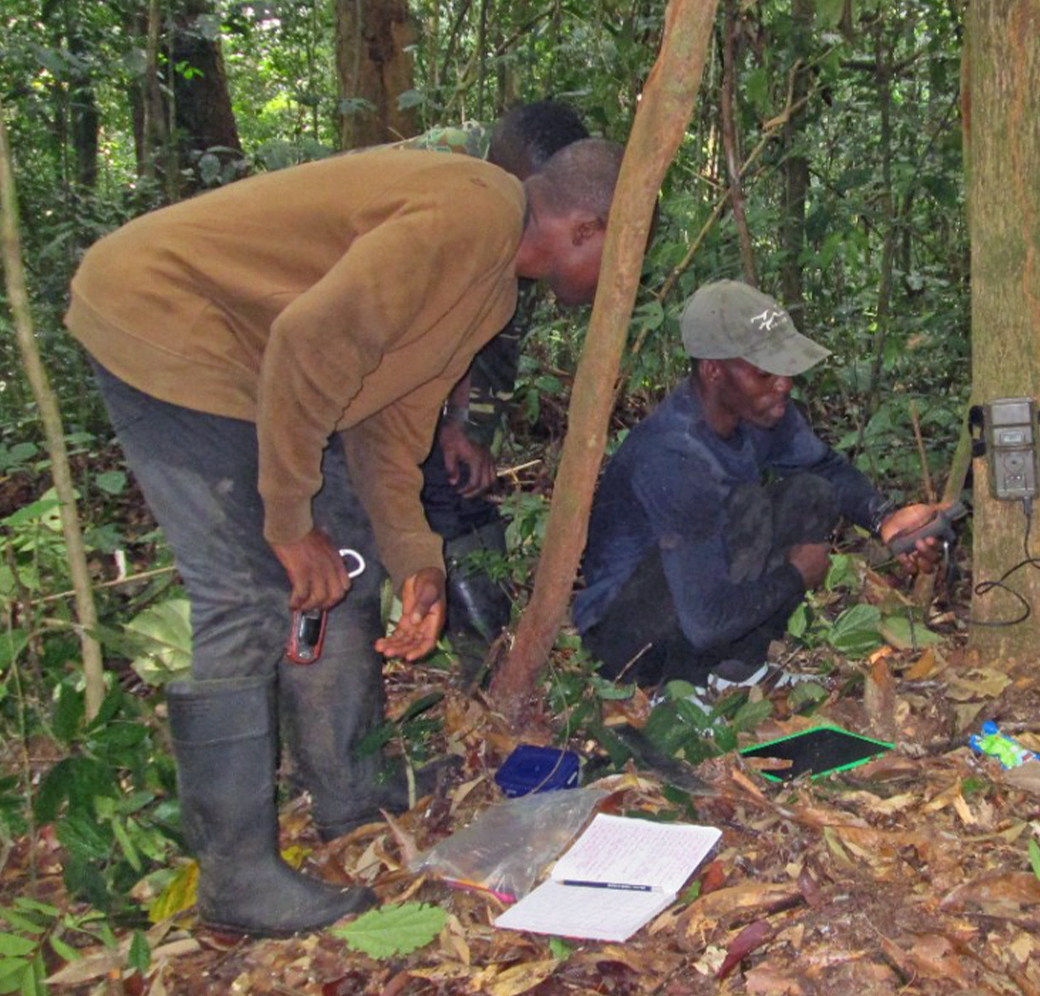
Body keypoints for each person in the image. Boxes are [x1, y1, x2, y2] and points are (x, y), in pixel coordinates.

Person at [66, 136, 624, 936]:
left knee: (350, 558)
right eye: (620, 249)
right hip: (170, 324)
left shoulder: (495, 289)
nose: (618, 277)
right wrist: (289, 521)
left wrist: (414, 561)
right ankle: (234, 877)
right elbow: (309, 339)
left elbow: (387, 424)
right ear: (583, 228)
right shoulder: (473, 211)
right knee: (252, 590)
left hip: (262, 369)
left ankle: (348, 788)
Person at [573, 280, 945, 690]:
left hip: (696, 600)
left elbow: (826, 469)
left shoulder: (760, 412)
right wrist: (795, 576)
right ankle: (685, 686)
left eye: (783, 368)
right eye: (764, 371)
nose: (783, 383)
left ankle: (738, 669)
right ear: (713, 371)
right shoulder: (674, 455)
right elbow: (704, 622)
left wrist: (885, 519)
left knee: (810, 494)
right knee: (746, 504)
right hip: (627, 642)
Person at [396, 102, 591, 686]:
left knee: (458, 482)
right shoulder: (442, 189)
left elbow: (496, 333)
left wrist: (470, 427)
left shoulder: (538, 222)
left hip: (428, 360)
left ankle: (488, 644)